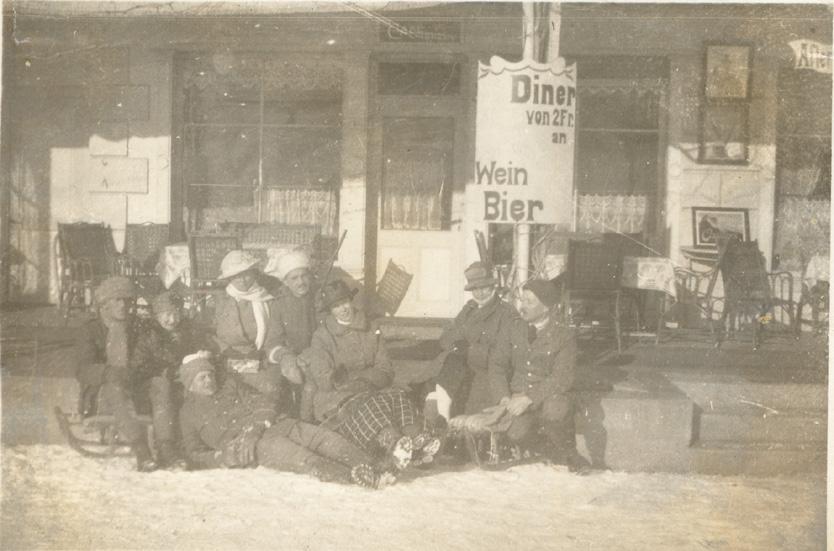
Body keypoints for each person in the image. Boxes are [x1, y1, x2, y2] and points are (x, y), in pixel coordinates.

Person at [178, 352, 394, 489]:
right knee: (305, 458)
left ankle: (377, 465)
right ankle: (355, 477)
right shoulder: (187, 413)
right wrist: (220, 457)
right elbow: (193, 452)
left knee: (322, 438)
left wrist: (258, 425)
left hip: (274, 424)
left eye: (210, 375)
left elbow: (263, 402)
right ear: (190, 384)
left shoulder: (231, 386)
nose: (209, 380)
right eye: (202, 378)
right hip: (253, 445)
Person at [301, 279, 438, 470]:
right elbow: (324, 376)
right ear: (330, 310)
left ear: (351, 301)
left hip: (372, 386)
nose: (343, 309)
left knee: (397, 396)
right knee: (369, 405)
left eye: (345, 302)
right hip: (337, 396)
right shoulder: (322, 336)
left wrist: (367, 381)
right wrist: (351, 382)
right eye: (336, 306)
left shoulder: (371, 328)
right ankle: (394, 443)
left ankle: (416, 439)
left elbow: (385, 367)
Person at [74, 276, 178, 471]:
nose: (124, 305)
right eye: (117, 300)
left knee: (160, 384)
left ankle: (166, 447)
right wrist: (109, 372)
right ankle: (141, 449)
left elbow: (154, 358)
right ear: (105, 303)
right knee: (115, 388)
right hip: (102, 392)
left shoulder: (138, 327)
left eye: (128, 300)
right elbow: (83, 370)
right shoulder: (91, 330)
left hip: (135, 385)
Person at [490, 277, 587, 472]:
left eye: (529, 302)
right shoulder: (513, 329)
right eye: (522, 300)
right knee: (516, 434)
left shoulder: (563, 335)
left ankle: (570, 454)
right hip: (517, 397)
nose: (522, 306)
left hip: (549, 395)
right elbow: (497, 366)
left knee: (555, 410)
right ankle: (547, 448)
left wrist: (529, 399)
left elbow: (562, 377)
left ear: (545, 307)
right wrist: (503, 397)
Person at [423, 262, 515, 429]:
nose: (479, 293)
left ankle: (443, 418)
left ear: (493, 286)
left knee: (451, 365)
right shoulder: (469, 309)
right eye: (475, 289)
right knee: (446, 367)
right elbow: (446, 339)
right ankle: (442, 419)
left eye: (484, 288)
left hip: (488, 371)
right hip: (462, 368)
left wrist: (469, 348)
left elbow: (503, 353)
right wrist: (459, 345)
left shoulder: (505, 313)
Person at [130, 290, 210, 468]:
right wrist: (163, 370)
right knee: (163, 386)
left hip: (180, 383)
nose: (172, 320)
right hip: (152, 387)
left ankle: (197, 443)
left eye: (175, 314)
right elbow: (138, 366)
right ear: (157, 316)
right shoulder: (148, 335)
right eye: (166, 315)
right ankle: (165, 447)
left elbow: (201, 348)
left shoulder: (189, 332)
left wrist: (202, 354)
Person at [213, 250, 303, 404]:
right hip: (230, 360)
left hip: (263, 358)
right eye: (236, 276)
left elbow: (276, 334)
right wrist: (225, 350)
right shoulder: (221, 301)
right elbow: (212, 333)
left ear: (254, 274)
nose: (241, 280)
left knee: (268, 390)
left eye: (246, 274)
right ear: (229, 278)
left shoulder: (268, 298)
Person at [263, 250, 319, 414]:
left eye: (304, 276)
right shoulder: (280, 305)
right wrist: (286, 357)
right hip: (293, 359)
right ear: (286, 282)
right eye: (294, 278)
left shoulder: (319, 298)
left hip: (319, 357)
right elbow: (273, 341)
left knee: (312, 390)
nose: (301, 282)